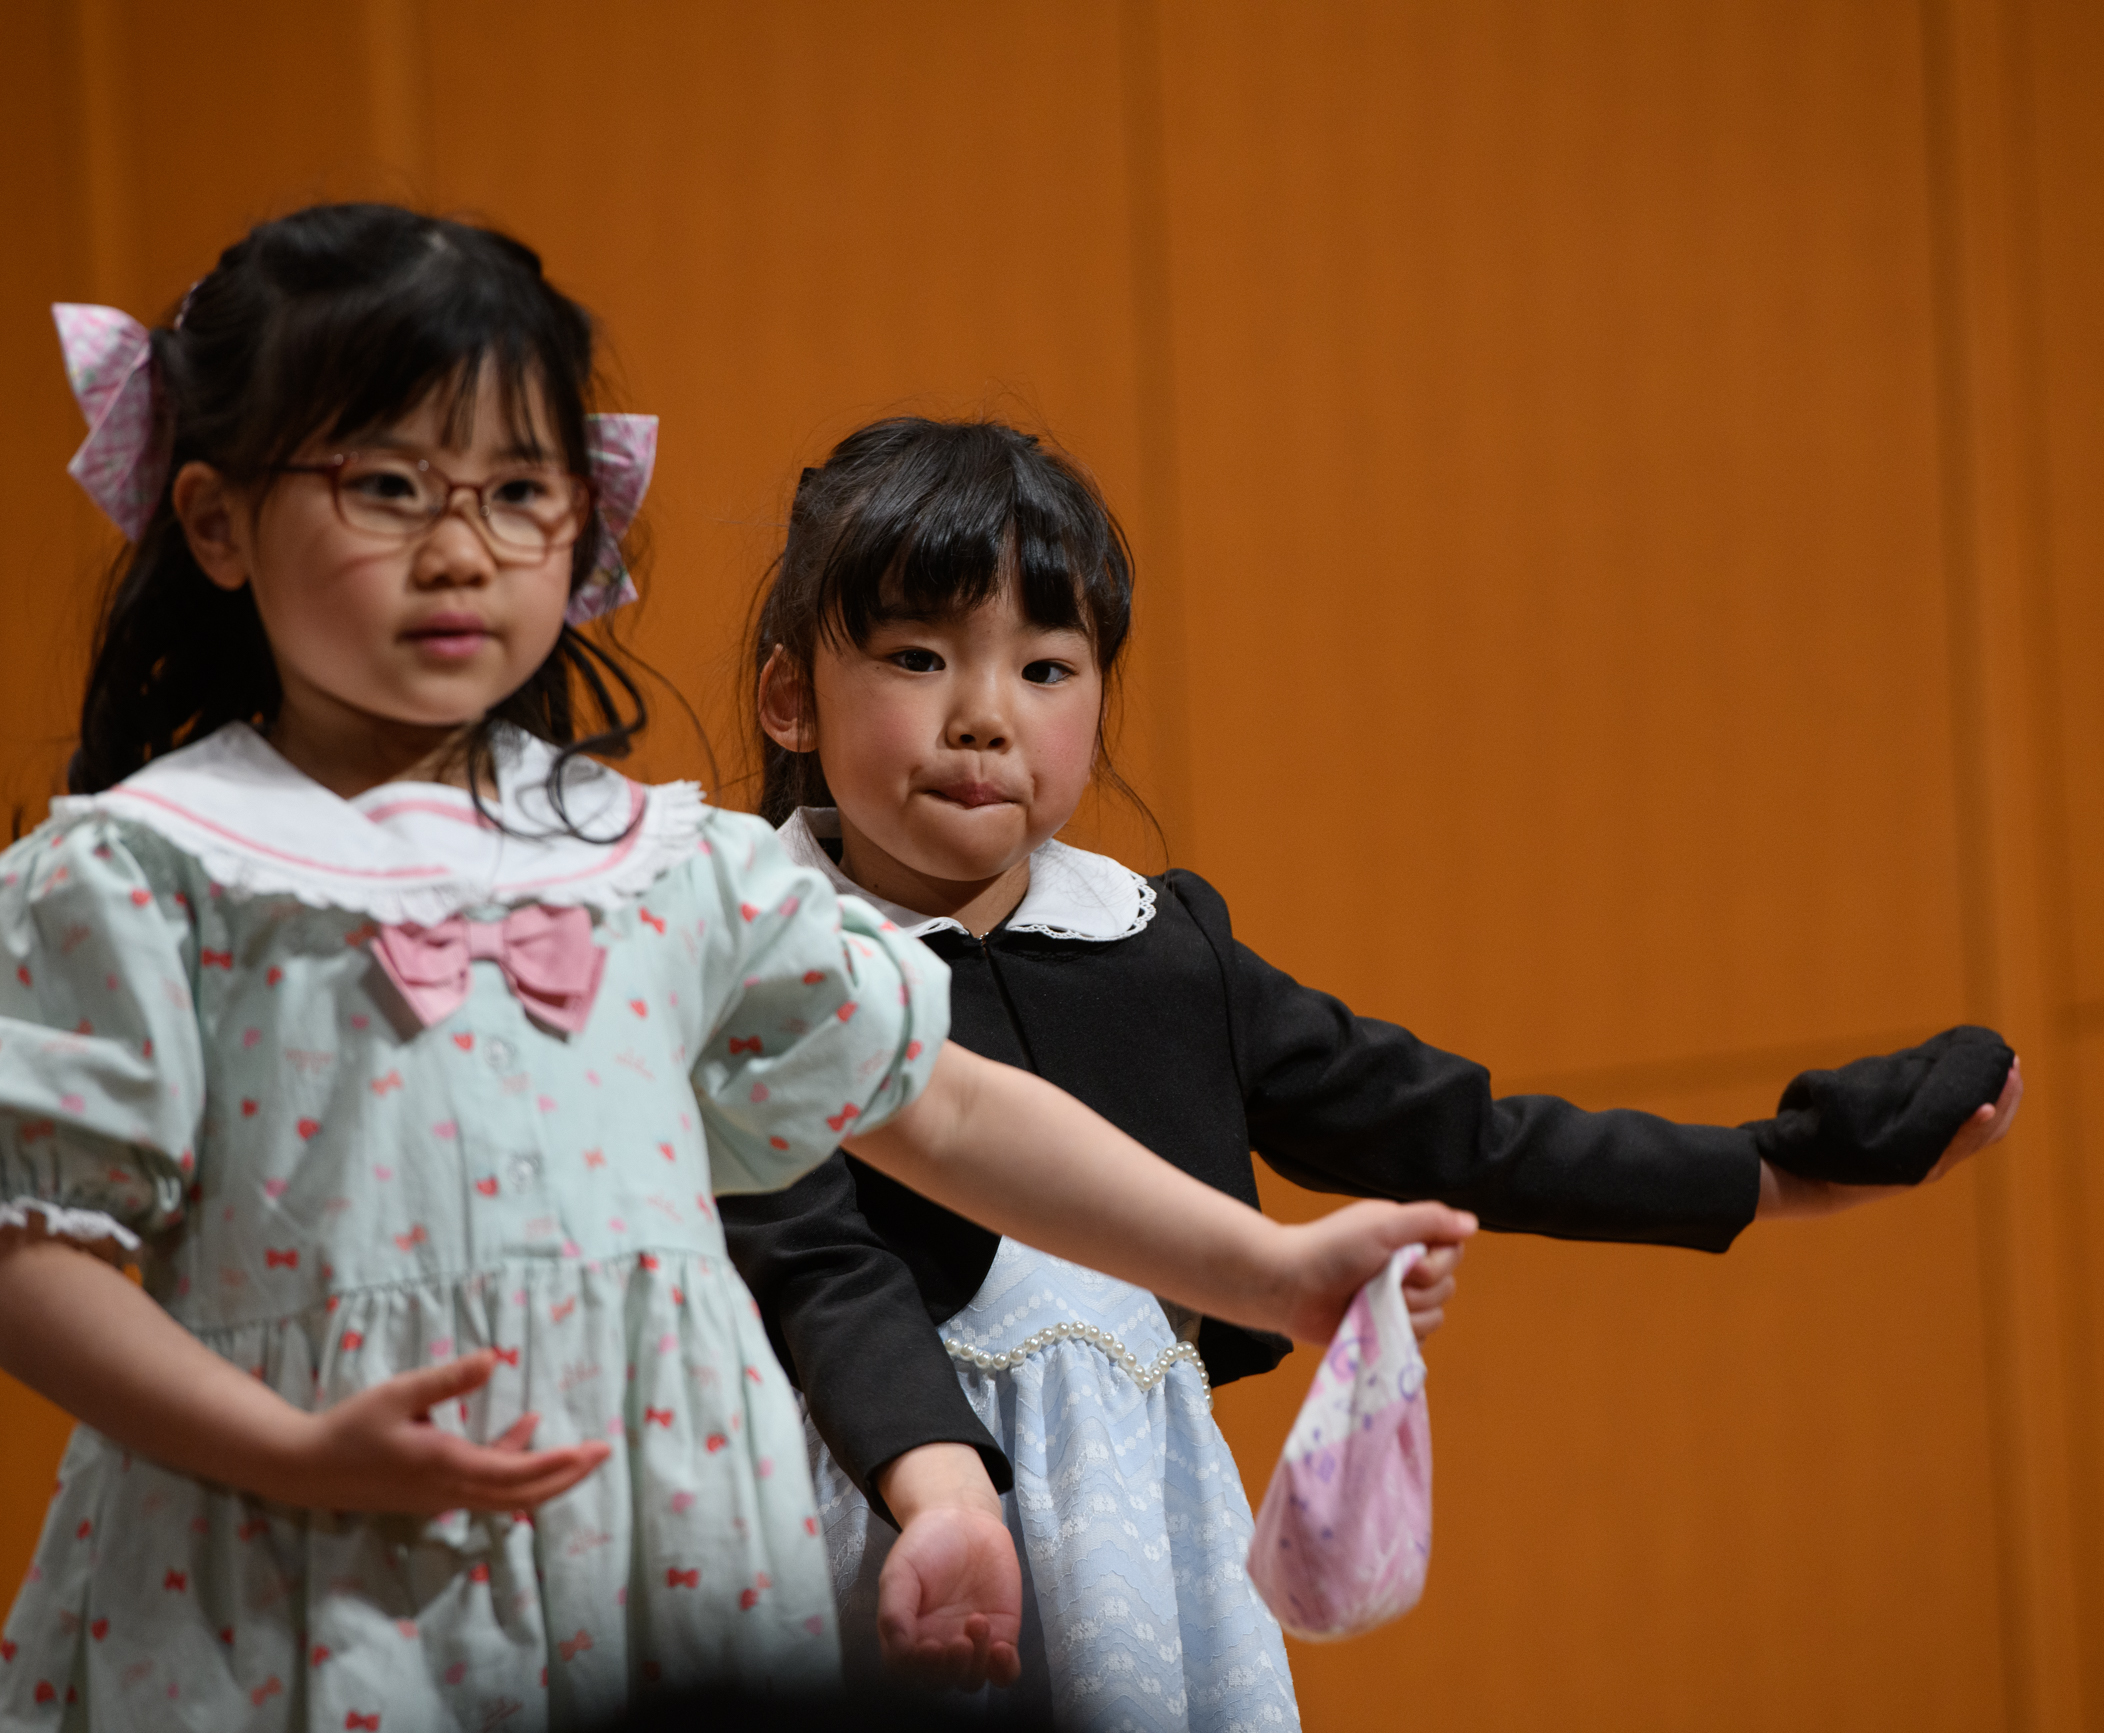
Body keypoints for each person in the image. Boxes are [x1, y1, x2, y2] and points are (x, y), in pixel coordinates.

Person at [0, 208, 1469, 1733]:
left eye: (517, 489)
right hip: (287, 1578)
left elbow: (943, 1109)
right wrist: (293, 1450)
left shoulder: (659, 860)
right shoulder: (148, 869)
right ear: (217, 520)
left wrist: (1270, 1268)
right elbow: (25, 1256)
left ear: (584, 527)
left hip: (657, 1573)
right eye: (384, 484)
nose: (459, 546)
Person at [722, 417, 2025, 1731]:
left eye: (1047, 665)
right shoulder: (746, 950)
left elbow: (1459, 1134)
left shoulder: (1158, 946)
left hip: (1138, 1531)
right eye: (917, 655)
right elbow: (821, 1270)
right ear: (790, 695)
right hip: (874, 1518)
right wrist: (937, 1492)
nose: (987, 715)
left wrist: (1774, 1169)